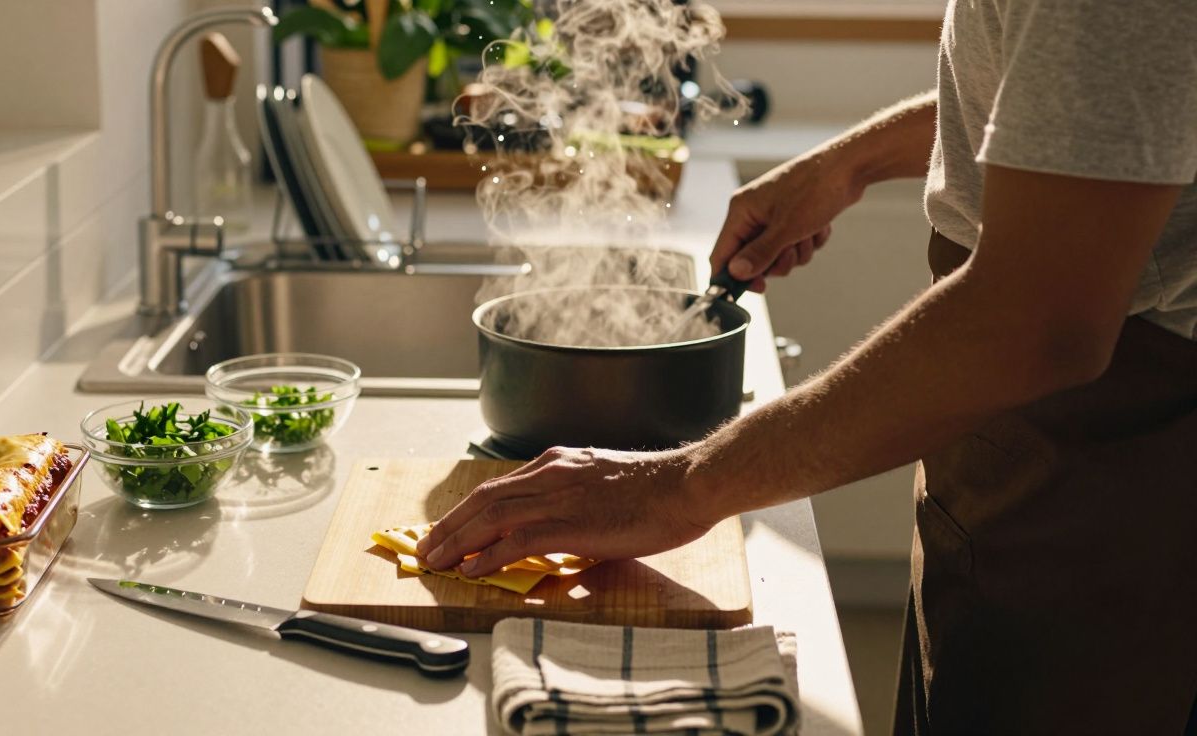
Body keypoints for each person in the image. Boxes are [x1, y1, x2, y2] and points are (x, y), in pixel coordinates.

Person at [418, 1, 1197, 731]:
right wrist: (853, 162)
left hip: (1120, 493)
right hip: (1026, 461)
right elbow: (1070, 108)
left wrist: (679, 487)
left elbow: (1036, 321)